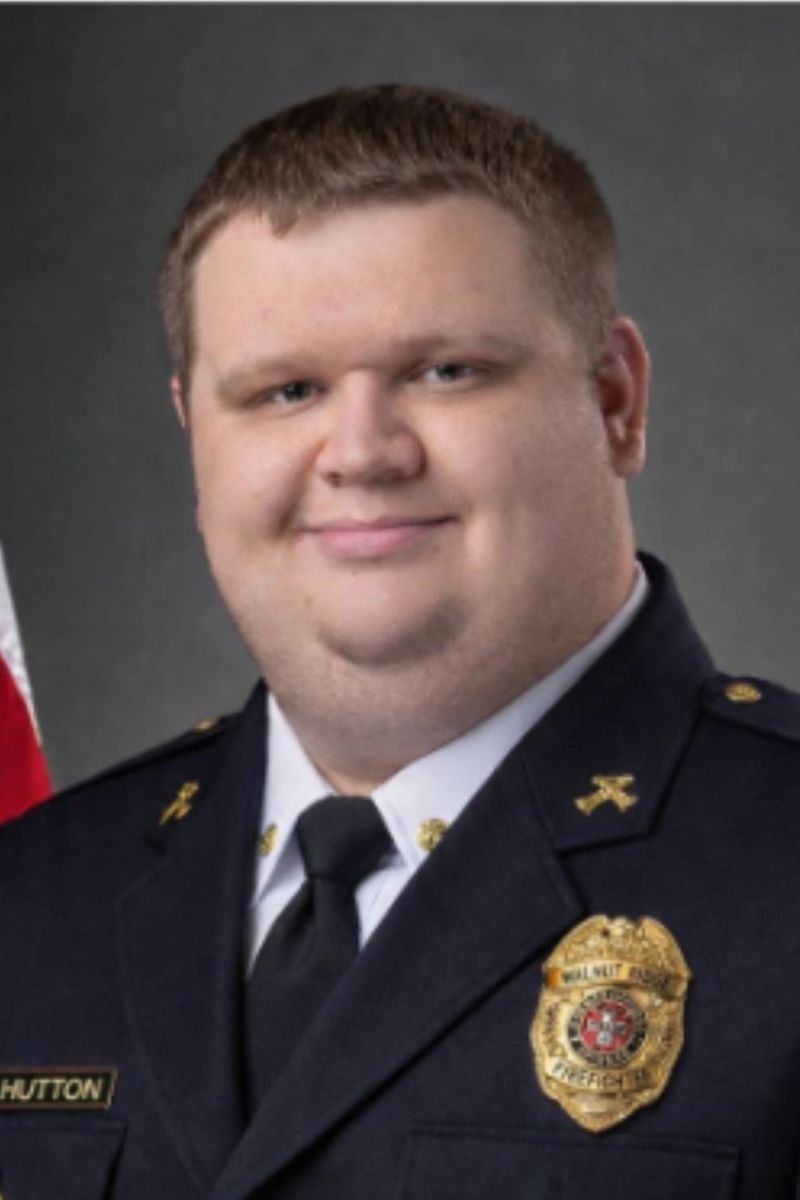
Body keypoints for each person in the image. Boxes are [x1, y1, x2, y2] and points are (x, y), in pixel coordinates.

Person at [0, 84, 798, 1200]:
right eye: (285, 391)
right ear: (197, 439)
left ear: (614, 400)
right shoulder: (33, 895)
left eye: (445, 372)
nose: (361, 452)